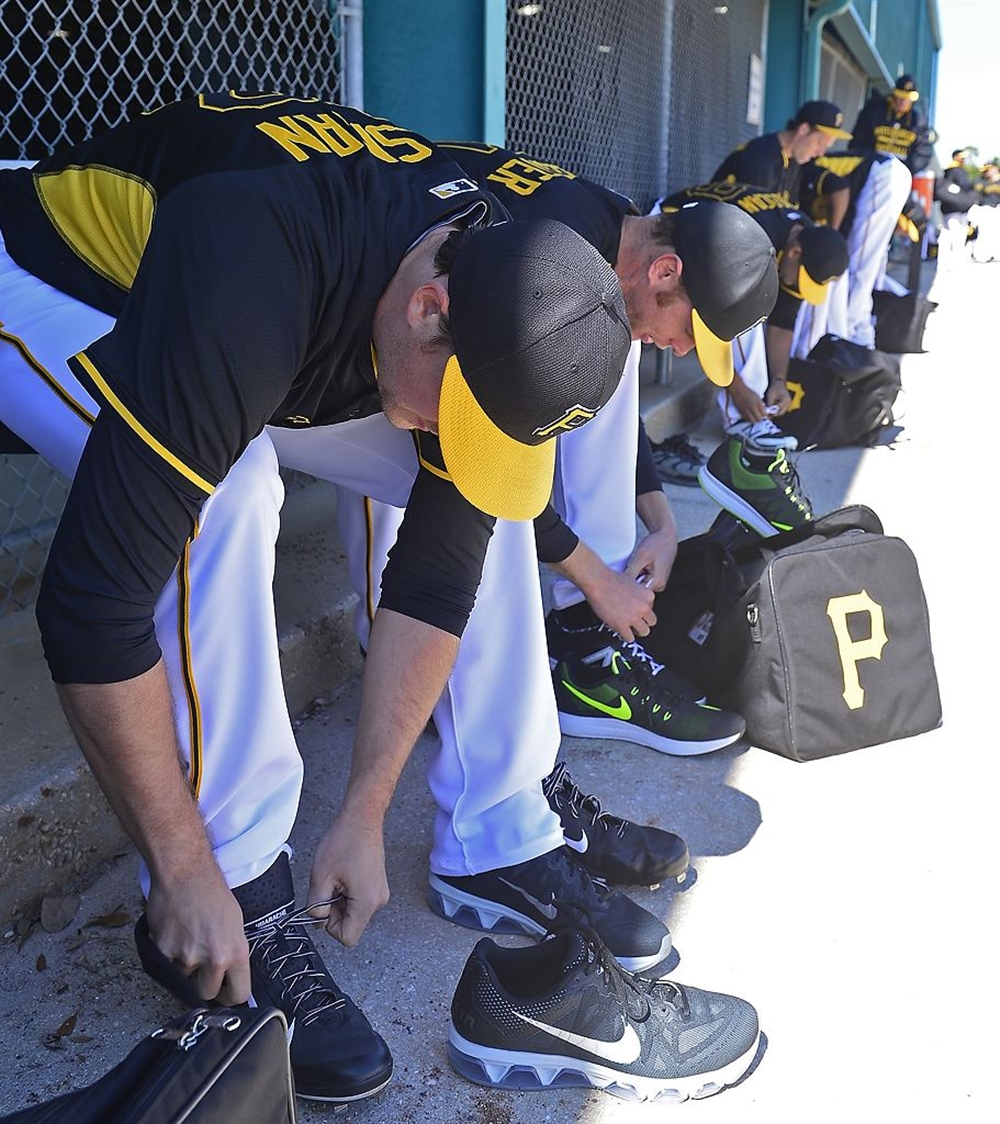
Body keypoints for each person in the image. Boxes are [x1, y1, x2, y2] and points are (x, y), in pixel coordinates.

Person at [0, 94, 633, 1103]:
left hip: (274, 312)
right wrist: (178, 860)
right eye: (454, 407)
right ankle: (236, 893)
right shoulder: (255, 263)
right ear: (430, 309)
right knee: (229, 490)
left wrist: (365, 812)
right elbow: (88, 603)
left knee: (478, 502)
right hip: (50, 266)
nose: (450, 435)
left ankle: (495, 820)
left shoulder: (488, 284)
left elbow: (431, 578)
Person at [334, 143, 778, 889]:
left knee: (611, 352)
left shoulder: (606, 233)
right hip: (379, 359)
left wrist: (660, 523)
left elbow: (586, 407)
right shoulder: (559, 244)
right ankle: (498, 811)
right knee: (453, 540)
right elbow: (502, 470)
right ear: (667, 272)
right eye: (687, 330)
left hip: (407, 349)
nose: (680, 348)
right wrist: (595, 578)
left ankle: (567, 672)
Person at [654, 182, 848, 537]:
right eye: (802, 275)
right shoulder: (756, 238)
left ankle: (751, 416)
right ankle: (743, 424)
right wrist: (737, 388)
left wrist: (778, 381)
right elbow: (711, 316)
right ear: (794, 252)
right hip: (667, 229)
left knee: (757, 303)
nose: (800, 285)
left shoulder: (800, 241)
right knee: (745, 307)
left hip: (706, 245)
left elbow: (784, 321)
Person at [795, 150, 914, 349]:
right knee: (866, 271)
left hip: (883, 175)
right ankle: (860, 336)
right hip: (888, 175)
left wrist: (832, 236)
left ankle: (850, 341)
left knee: (859, 269)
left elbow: (840, 189)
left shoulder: (808, 168)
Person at [712, 100, 853, 206]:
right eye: (820, 144)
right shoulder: (760, 158)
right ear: (803, 130)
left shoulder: (793, 162)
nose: (821, 153)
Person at [851, 74, 933, 174]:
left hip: (900, 174)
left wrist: (906, 169)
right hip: (870, 170)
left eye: (907, 98)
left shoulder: (918, 121)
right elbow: (857, 141)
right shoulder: (874, 111)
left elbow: (924, 152)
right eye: (900, 96)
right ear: (894, 94)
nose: (903, 101)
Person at [935, 148, 980, 266]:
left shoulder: (946, 171)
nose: (964, 160)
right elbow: (965, 184)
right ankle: (955, 260)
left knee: (947, 233)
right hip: (957, 206)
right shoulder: (958, 170)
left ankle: (944, 259)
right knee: (958, 234)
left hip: (948, 206)